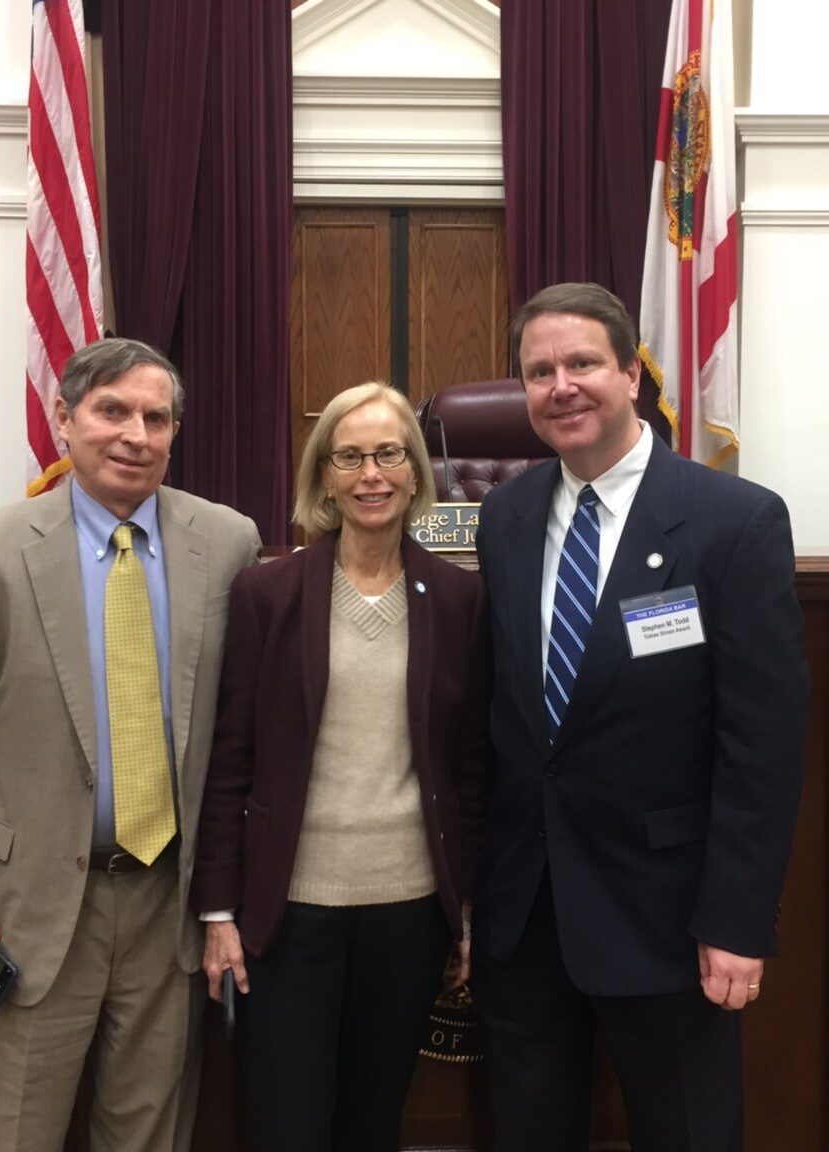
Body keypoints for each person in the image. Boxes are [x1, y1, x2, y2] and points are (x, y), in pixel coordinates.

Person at [472, 282, 809, 1151]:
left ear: (632, 374)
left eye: (583, 363)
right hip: (528, 913)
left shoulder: (734, 521)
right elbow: (504, 719)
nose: (561, 386)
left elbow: (760, 749)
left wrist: (736, 923)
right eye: (539, 371)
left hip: (669, 917)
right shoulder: (504, 516)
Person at [0, 338, 261, 1152]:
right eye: (111, 411)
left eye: (156, 417)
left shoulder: (229, 542)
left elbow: (242, 735)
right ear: (64, 419)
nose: (136, 434)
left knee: (148, 1135)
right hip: (26, 914)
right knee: (13, 1134)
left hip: (171, 902)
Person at [190, 381, 488, 1151]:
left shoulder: (460, 599)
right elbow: (231, 761)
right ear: (323, 476)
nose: (371, 474)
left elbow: (469, 769)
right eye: (348, 457)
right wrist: (219, 911)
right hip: (288, 913)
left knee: (373, 1117)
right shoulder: (268, 592)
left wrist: (464, 910)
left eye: (389, 453)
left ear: (417, 470)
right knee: (285, 1121)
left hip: (409, 909)